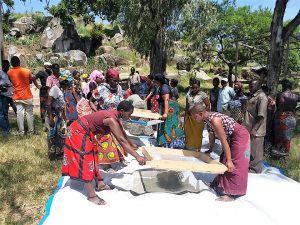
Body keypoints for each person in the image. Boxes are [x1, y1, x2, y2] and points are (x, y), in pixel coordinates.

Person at [61, 101, 146, 205]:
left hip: (86, 131)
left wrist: (131, 144)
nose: (129, 117)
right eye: (129, 114)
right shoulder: (111, 119)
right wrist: (137, 156)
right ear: (122, 111)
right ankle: (92, 196)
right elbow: (121, 140)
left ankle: (100, 184)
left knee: (94, 156)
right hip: (78, 131)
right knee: (87, 161)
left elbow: (123, 134)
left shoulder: (114, 115)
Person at [190, 104, 250, 201]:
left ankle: (231, 194)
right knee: (223, 159)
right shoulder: (208, 120)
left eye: (195, 116)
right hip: (232, 136)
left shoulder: (215, 120)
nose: (194, 119)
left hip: (240, 136)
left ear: (201, 114)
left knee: (234, 163)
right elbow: (211, 136)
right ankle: (219, 185)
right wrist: (210, 150)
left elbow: (223, 140)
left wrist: (230, 160)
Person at [7, 56, 38, 135]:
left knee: (19, 114)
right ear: (19, 62)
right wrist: (38, 86)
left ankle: (21, 132)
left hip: (17, 96)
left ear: (11, 63)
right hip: (27, 96)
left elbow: (10, 81)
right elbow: (32, 79)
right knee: (29, 114)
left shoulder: (9, 72)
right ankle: (31, 131)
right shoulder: (27, 71)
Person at [154, 74, 185, 149]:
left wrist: (165, 113)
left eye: (155, 80)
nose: (154, 81)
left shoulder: (164, 88)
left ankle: (172, 143)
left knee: (169, 126)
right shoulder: (160, 87)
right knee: (163, 125)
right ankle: (162, 142)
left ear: (158, 80)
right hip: (165, 107)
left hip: (170, 109)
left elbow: (166, 100)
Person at [244, 80, 268, 173]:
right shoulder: (254, 95)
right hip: (249, 128)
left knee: (256, 153)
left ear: (259, 86)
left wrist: (254, 129)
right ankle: (249, 168)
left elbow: (261, 116)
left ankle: (255, 171)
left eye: (252, 86)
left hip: (256, 130)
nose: (250, 88)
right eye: (249, 86)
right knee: (250, 151)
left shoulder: (262, 97)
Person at [273, 79, 299, 155]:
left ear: (284, 86)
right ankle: (286, 152)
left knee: (279, 137)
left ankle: (279, 153)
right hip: (292, 118)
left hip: (282, 117)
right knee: (288, 137)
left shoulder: (281, 95)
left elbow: (280, 106)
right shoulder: (296, 96)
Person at [184, 79, 210, 150]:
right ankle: (188, 147)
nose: (195, 89)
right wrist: (185, 116)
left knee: (197, 134)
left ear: (199, 87)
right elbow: (187, 106)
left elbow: (208, 105)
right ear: (191, 87)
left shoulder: (203, 94)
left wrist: (203, 114)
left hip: (198, 118)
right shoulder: (188, 94)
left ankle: (197, 149)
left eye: (196, 87)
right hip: (189, 117)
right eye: (193, 87)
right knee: (189, 133)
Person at [47, 80, 69, 158]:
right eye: (67, 87)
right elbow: (49, 103)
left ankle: (59, 153)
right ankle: (53, 154)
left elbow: (62, 106)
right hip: (54, 115)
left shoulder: (60, 91)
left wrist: (64, 117)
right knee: (53, 134)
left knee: (62, 134)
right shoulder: (55, 89)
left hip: (60, 116)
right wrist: (50, 118)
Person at [33, 62, 52, 131]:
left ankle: (49, 119)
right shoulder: (41, 73)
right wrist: (38, 86)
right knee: (43, 105)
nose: (50, 68)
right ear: (45, 67)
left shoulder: (51, 73)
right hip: (43, 91)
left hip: (50, 91)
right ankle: (43, 120)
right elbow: (33, 78)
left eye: (50, 66)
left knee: (49, 105)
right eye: (49, 67)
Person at [0, 64, 13, 136]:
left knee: (5, 113)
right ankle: (5, 130)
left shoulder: (8, 73)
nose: (8, 68)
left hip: (10, 96)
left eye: (8, 66)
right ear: (3, 67)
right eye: (6, 66)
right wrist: (2, 87)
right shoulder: (1, 73)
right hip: (3, 95)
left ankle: (8, 128)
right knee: (2, 113)